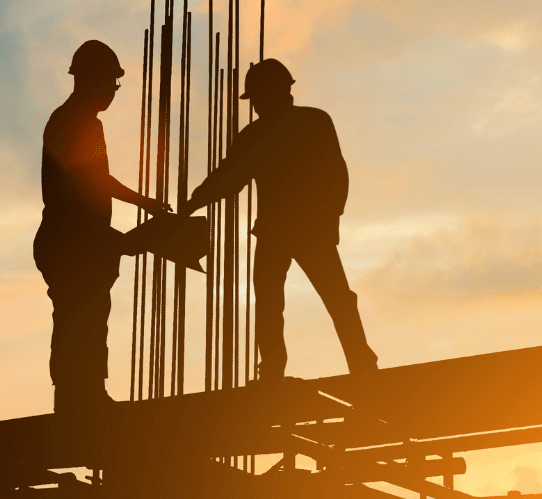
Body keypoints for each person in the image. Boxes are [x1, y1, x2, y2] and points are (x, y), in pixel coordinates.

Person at [183, 58, 379, 382]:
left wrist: (330, 219)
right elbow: (229, 177)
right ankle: (348, 363)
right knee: (287, 301)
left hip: (299, 228)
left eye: (257, 96)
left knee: (297, 300)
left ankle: (343, 364)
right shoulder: (293, 126)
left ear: (276, 91)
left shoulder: (296, 126)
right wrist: (194, 202)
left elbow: (334, 174)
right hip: (292, 230)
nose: (256, 104)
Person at [37, 40, 172, 413]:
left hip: (76, 241)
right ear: (92, 80)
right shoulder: (79, 123)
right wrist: (145, 206)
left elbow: (93, 183)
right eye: (111, 83)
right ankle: (78, 399)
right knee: (81, 319)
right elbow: (94, 181)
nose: (113, 91)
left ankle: (81, 397)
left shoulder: (71, 120)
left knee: (85, 317)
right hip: (72, 243)